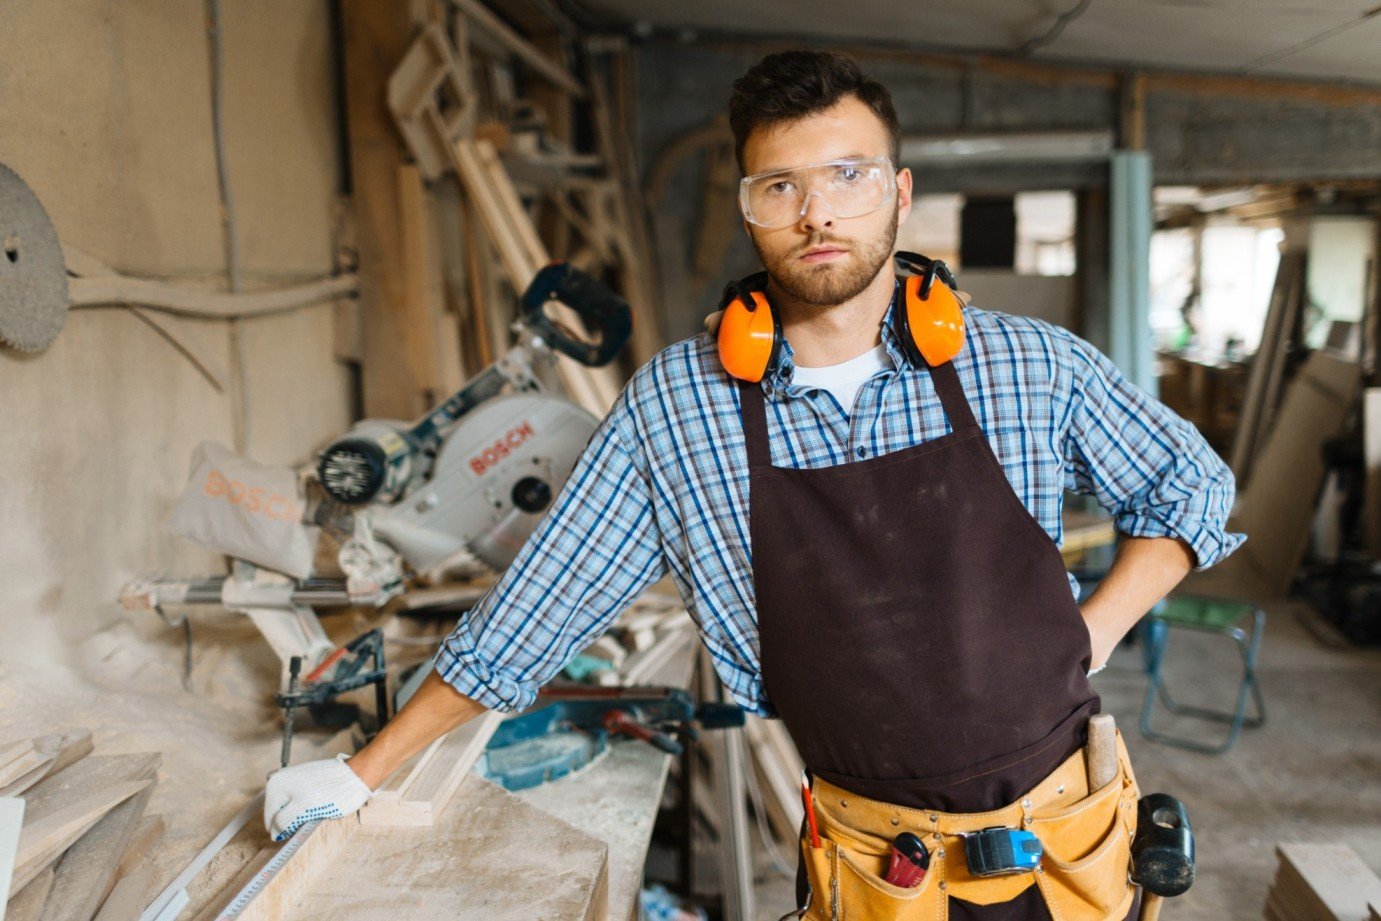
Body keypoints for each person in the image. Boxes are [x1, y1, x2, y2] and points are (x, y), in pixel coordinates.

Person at [265, 50, 1242, 920]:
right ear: (748, 208)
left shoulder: (1025, 366)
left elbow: (1189, 487)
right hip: (876, 870)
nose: (817, 212)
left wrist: (1095, 626)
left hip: (1069, 846)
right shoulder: (678, 410)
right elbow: (534, 611)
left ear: (898, 193)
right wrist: (360, 773)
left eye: (846, 176)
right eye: (780, 186)